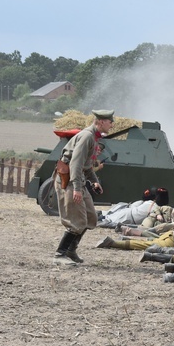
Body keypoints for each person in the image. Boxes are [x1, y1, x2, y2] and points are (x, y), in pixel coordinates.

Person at [53, 109, 114, 265]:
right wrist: (77, 189)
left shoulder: (93, 138)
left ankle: (71, 250)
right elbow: (76, 163)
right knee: (77, 220)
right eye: (109, 122)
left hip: (78, 180)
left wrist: (95, 180)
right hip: (70, 181)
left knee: (91, 218)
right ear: (100, 122)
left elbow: (87, 165)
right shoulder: (87, 136)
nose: (112, 125)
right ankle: (60, 254)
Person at [95, 205, 174, 252]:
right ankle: (113, 242)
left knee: (148, 241)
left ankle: (124, 237)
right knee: (145, 244)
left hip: (172, 236)